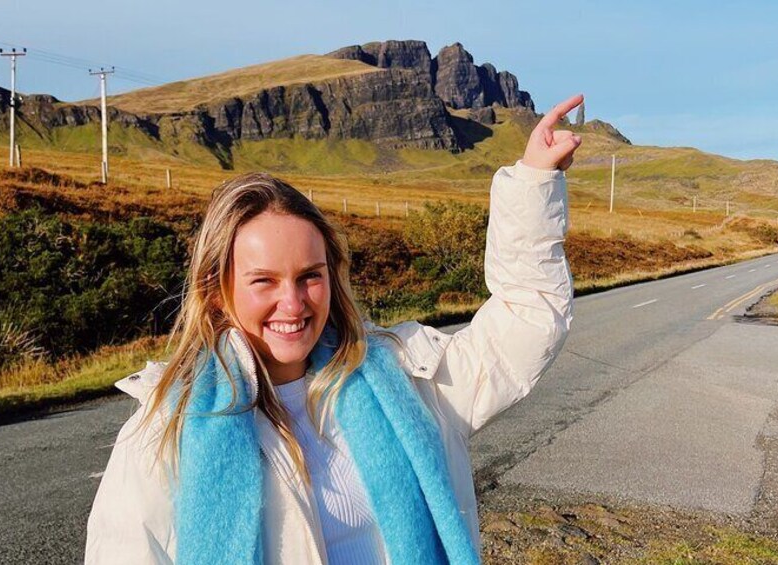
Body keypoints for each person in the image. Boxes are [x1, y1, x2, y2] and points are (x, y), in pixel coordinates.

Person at [84, 94, 583, 565]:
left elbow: (526, 322)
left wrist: (533, 184)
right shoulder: (162, 432)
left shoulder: (406, 379)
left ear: (331, 275)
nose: (293, 302)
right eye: (264, 281)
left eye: (309, 277)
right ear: (218, 289)